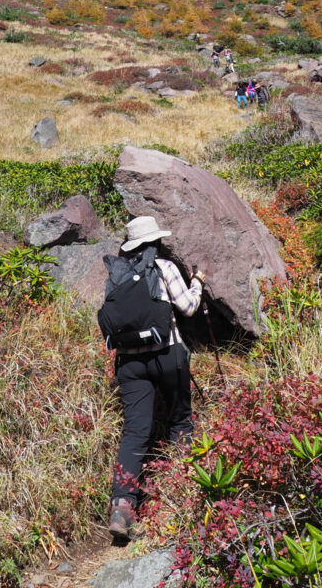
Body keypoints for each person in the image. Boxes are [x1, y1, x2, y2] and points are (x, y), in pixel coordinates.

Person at [107, 216, 205, 539]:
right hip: (168, 355)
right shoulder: (164, 267)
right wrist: (199, 282)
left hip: (130, 364)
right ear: (156, 242)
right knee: (180, 422)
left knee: (136, 432)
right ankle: (181, 493)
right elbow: (188, 307)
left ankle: (122, 508)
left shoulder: (118, 273)